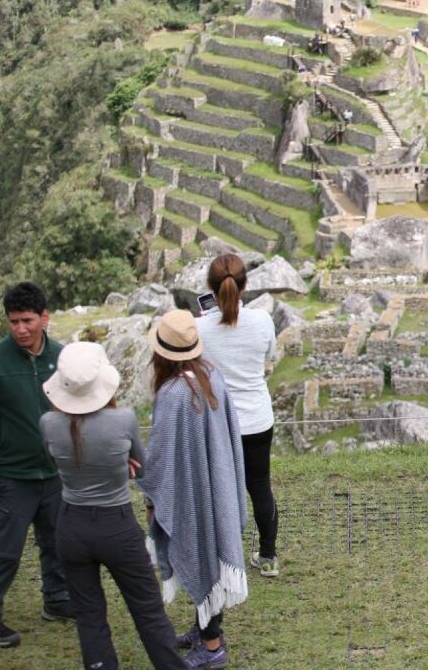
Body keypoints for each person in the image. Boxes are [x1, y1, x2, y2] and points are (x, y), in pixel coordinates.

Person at [40, 341, 184, 670]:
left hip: (71, 526)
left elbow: (59, 461)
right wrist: (122, 466)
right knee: (148, 610)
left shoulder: (48, 423)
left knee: (89, 616)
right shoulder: (123, 420)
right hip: (117, 527)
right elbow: (143, 469)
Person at [0, 282, 72, 647]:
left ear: (44, 318)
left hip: (55, 475)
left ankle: (57, 602)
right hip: (10, 477)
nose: (20, 329)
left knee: (57, 544)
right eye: (13, 322)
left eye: (27, 320)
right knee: (2, 552)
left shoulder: (62, 358)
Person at [139, 310, 247, 670]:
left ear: (161, 353)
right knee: (211, 555)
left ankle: (212, 646)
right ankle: (205, 631)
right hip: (215, 486)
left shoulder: (173, 394)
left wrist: (151, 495)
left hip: (192, 492)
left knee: (201, 554)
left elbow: (157, 460)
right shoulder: (211, 375)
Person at [197, 254, 280, 578]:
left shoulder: (199, 327)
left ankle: (223, 558)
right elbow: (269, 355)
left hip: (218, 420)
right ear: (245, 285)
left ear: (210, 287)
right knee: (260, 486)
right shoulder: (262, 321)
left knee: (219, 488)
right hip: (257, 418)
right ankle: (268, 555)